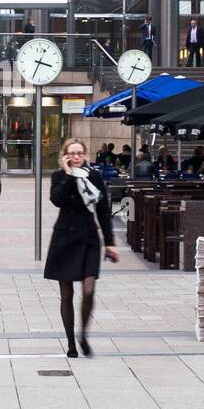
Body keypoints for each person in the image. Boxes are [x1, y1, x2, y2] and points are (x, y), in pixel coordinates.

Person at [44, 137, 118, 358]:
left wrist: (110, 242)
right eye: (72, 153)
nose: (76, 156)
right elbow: (57, 200)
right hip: (64, 238)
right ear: (65, 156)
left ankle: (83, 334)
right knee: (66, 295)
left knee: (89, 290)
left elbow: (103, 211)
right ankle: (71, 343)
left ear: (85, 155)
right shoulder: (59, 176)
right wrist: (67, 175)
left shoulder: (93, 176)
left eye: (79, 153)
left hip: (88, 237)